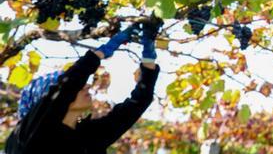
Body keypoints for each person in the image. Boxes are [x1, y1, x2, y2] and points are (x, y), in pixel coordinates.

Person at [5, 22, 160, 154]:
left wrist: (148, 57)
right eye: (78, 86)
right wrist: (99, 53)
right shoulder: (27, 139)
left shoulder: (88, 136)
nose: (86, 85)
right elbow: (66, 86)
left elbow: (137, 103)